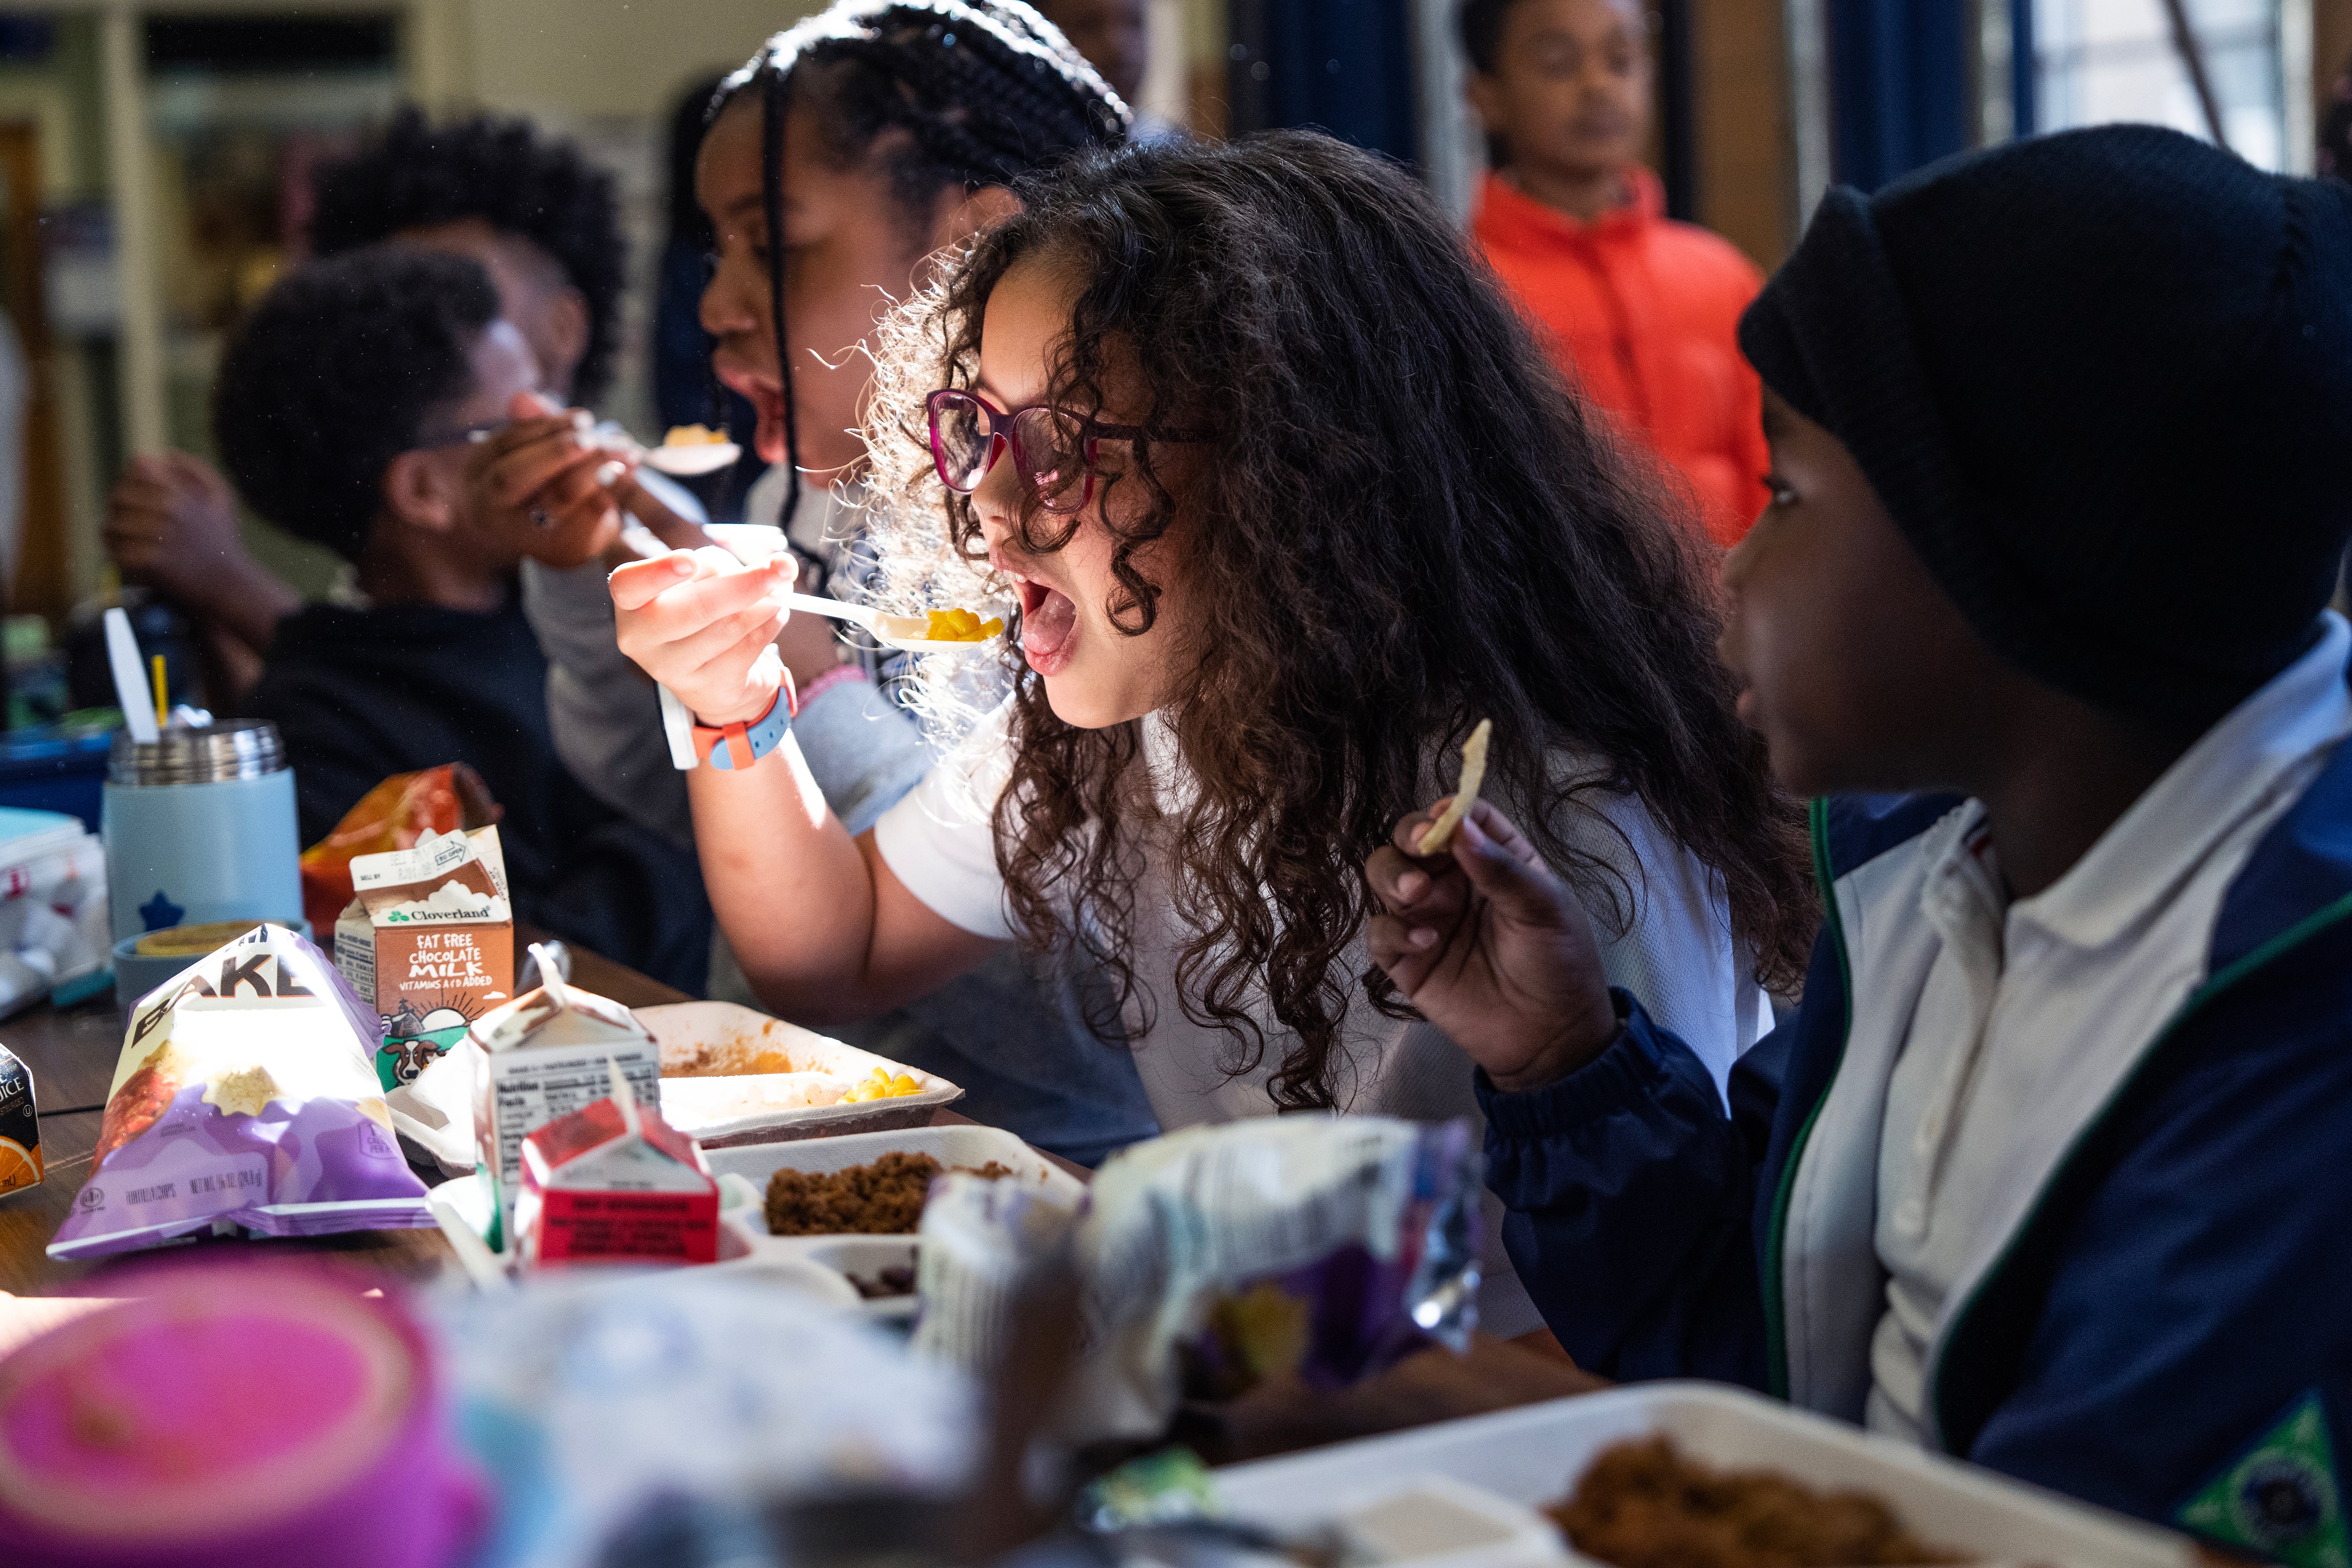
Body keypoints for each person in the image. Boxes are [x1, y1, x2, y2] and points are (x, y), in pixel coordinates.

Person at [611, 131, 1815, 1331]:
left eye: (1071, 443)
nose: (984, 498)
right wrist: (734, 703)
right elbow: (837, 944)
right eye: (981, 424)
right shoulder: (1139, 722)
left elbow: (1661, 1322)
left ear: (1300, 472)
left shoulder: (1560, 825)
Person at [1365, 125, 2352, 1546]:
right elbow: (1752, 1338)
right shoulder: (1936, 869)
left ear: (1999, 566)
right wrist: (1563, 1060)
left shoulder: (2291, 1016)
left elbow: (2051, 1530)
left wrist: (1412, 1416)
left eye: (1785, 496)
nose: (1731, 573)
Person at [501, 0, 1159, 1163]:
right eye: (718, 251)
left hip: (1046, 1175)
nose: (714, 306)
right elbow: (683, 809)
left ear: (971, 250)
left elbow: (1084, 1018)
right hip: (808, 1145)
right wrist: (609, 591)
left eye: (777, 243)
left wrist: (813, 698)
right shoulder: (804, 505)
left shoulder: (1083, 558)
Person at [218, 245, 712, 993]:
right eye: (521, 426)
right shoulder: (321, 735)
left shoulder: (567, 617)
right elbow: (493, 978)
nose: (575, 430)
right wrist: (698, 816)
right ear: (424, 490)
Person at [103, 108, 639, 706]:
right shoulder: (428, 561)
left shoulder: (630, 521)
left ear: (563, 327)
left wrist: (230, 586)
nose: (435, 308)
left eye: (455, 281)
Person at [1461, 0, 1767, 546]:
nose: (1597, 85)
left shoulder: (1722, 276)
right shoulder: (1463, 290)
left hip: (1735, 617)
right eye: (1558, 63)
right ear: (1485, 96)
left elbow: (1775, 475)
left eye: (1621, 59)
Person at [1033, 0, 1177, 142]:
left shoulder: (1172, 144)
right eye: (1088, 26)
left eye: (1133, 23)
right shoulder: (1028, 148)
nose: (1118, 47)